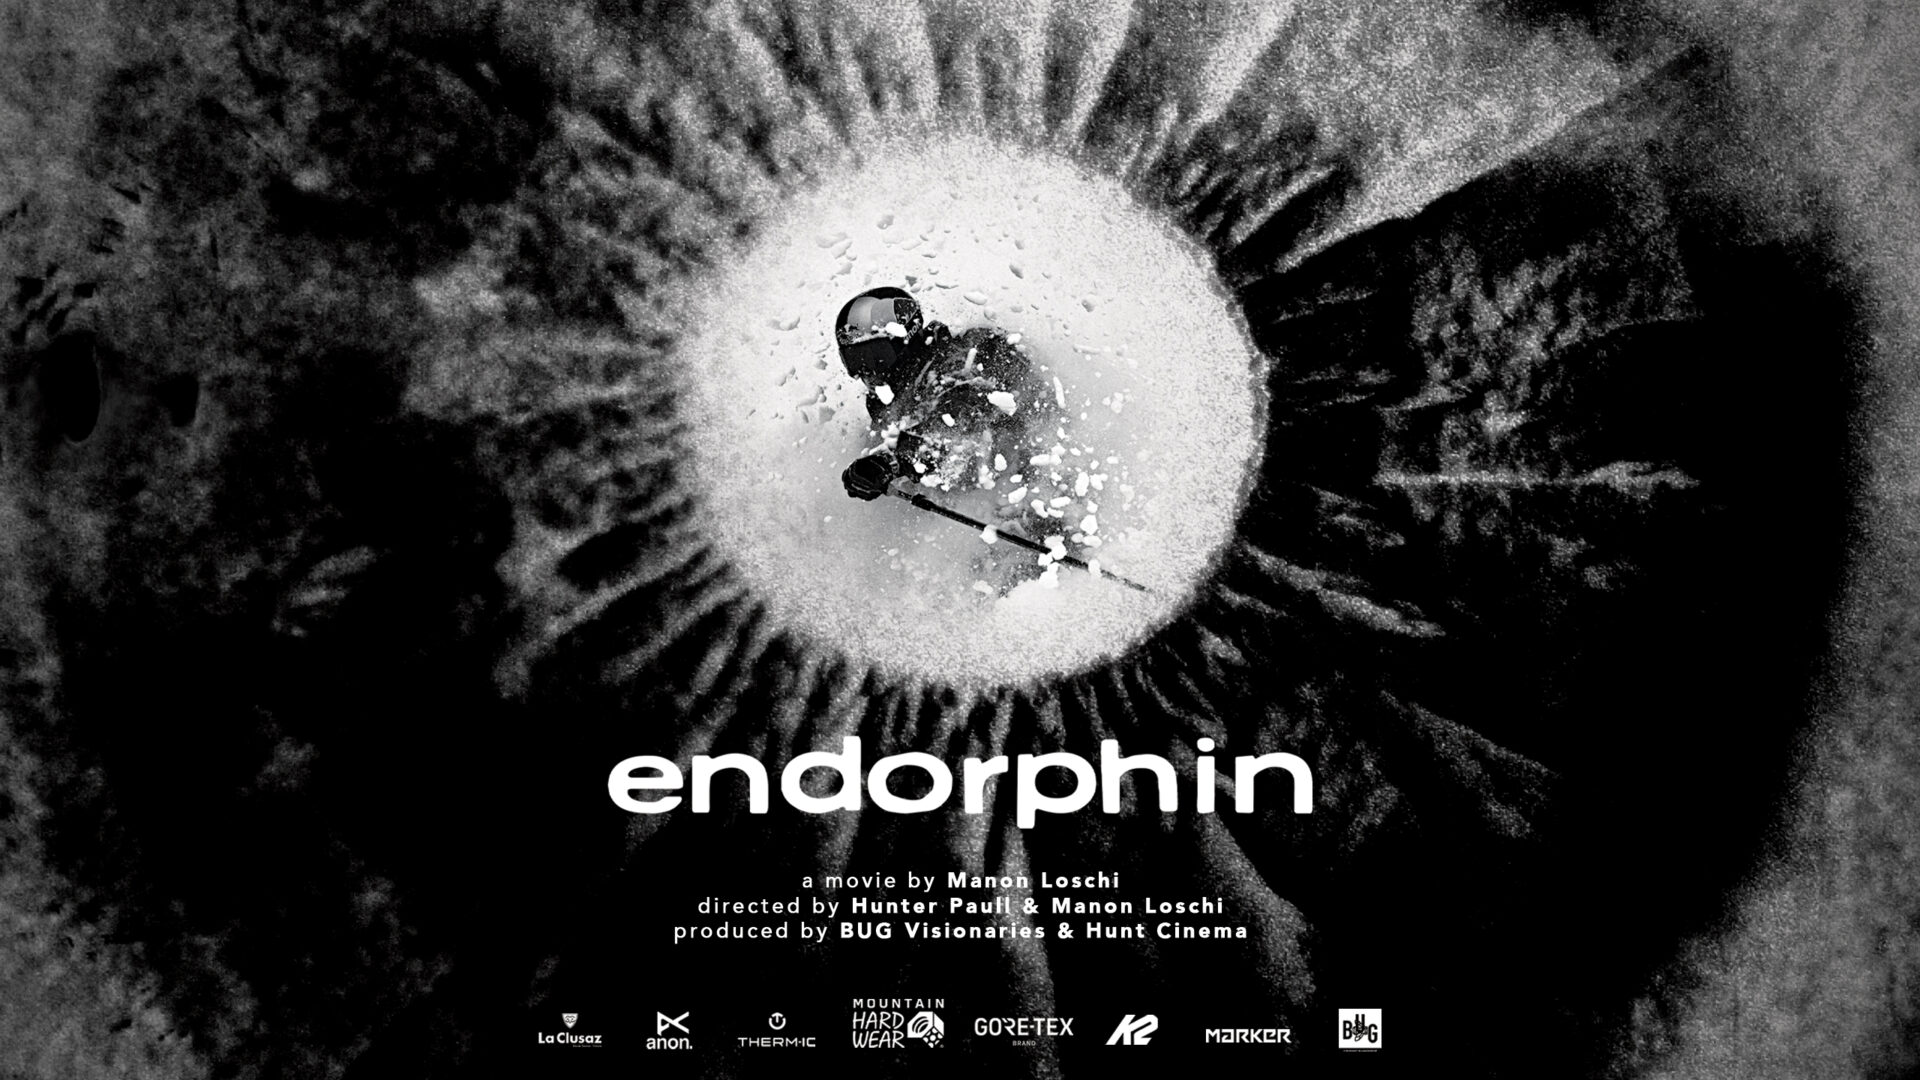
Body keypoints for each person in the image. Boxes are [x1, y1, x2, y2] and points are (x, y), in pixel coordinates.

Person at [835, 287, 1038, 501]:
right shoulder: (887, 404)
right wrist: (867, 472)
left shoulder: (960, 357)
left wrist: (892, 461)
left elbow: (960, 418)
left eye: (876, 357)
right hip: (981, 498)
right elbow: (896, 446)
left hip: (1033, 482)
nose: (868, 371)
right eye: (855, 360)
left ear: (904, 340)